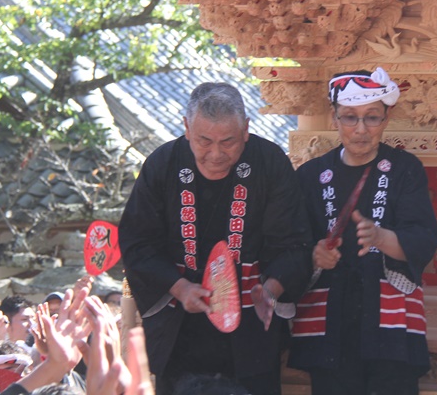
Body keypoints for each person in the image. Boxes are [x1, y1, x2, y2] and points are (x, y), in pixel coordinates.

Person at [119, 82, 313, 394]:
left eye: (228, 142)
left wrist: (271, 289)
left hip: (250, 328)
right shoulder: (163, 164)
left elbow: (295, 242)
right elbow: (137, 242)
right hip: (180, 329)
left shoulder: (269, 162)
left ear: (246, 129)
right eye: (204, 141)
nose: (216, 154)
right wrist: (180, 287)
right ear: (186, 128)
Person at [288, 68, 437, 395]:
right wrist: (315, 255)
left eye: (371, 117)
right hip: (329, 322)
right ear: (334, 118)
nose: (360, 129)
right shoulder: (311, 175)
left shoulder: (404, 169)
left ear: (386, 118)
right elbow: (290, 246)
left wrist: (381, 238)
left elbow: (425, 238)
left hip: (390, 325)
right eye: (349, 117)